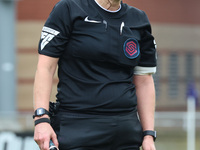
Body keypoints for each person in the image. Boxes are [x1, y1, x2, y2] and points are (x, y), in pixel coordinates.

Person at [33, 0, 157, 149]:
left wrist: (148, 135)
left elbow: (144, 81)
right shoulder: (68, 9)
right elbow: (45, 68)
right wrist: (41, 119)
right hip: (77, 129)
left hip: (126, 133)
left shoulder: (139, 19)